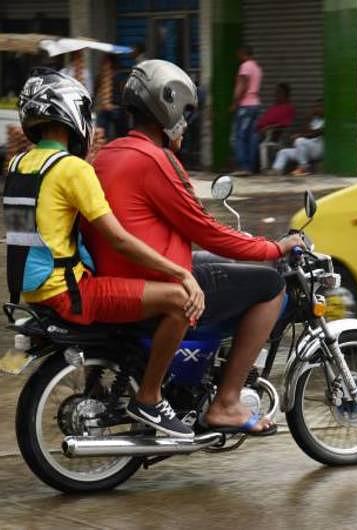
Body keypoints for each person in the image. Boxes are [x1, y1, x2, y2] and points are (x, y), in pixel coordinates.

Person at [85, 60, 304, 436]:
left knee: (224, 265)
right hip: (153, 278)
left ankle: (196, 375)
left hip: (125, 270)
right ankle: (227, 402)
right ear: (166, 106)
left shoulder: (107, 155)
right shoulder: (155, 160)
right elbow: (205, 229)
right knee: (270, 285)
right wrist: (274, 248)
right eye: (184, 113)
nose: (184, 122)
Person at [4, 68, 204, 439]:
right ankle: (150, 398)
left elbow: (35, 232)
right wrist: (181, 273)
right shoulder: (72, 169)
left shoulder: (19, 166)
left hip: (33, 294)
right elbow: (119, 239)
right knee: (179, 301)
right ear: (71, 113)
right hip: (68, 293)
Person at [231, 45, 263, 175]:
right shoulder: (257, 67)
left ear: (243, 53)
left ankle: (243, 167)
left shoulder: (245, 66)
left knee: (239, 137)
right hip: (256, 105)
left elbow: (242, 85)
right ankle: (250, 167)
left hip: (246, 106)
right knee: (252, 137)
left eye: (239, 53)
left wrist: (235, 102)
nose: (238, 55)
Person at [271, 99, 324, 176]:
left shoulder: (329, 120)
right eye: (315, 107)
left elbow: (316, 133)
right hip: (307, 150)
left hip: (319, 149)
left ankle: (304, 167)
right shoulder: (315, 119)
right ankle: (276, 170)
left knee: (299, 140)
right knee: (283, 152)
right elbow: (306, 131)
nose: (316, 109)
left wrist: (300, 136)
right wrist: (308, 117)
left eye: (319, 107)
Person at [255, 82, 295, 171]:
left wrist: (269, 128)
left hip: (273, 135)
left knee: (254, 141)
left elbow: (285, 124)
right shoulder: (274, 107)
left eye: (279, 92)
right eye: (276, 92)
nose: (276, 95)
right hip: (261, 132)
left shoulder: (288, 108)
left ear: (285, 94)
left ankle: (261, 168)